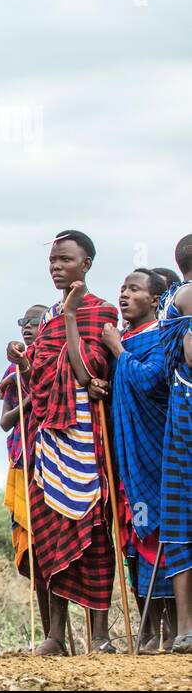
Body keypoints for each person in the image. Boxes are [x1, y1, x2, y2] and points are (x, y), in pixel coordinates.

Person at [7, 230, 118, 654]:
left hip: (86, 438)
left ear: (86, 264)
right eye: (52, 260)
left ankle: (101, 634)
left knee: (92, 531)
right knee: (50, 534)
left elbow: (88, 370)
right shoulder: (49, 316)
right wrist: (24, 361)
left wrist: (72, 318)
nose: (56, 266)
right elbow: (38, 377)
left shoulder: (99, 311)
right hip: (47, 439)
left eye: (65, 260)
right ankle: (56, 635)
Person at [103, 268, 172, 651]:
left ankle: (171, 627)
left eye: (134, 289)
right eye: (123, 288)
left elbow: (149, 380)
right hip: (126, 455)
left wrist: (117, 350)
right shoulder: (124, 339)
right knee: (133, 538)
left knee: (163, 536)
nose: (125, 295)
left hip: (156, 451)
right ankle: (146, 628)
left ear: (155, 300)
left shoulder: (161, 337)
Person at [0, 302, 49, 629]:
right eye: (23, 322)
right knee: (31, 547)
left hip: (55, 461)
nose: (27, 327)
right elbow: (5, 421)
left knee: (51, 544)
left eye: (34, 321)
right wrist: (32, 397)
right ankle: (48, 630)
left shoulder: (53, 362)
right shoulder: (12, 373)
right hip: (22, 461)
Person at [154, 234, 192, 652]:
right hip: (190, 407)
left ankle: (185, 629)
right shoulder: (190, 296)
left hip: (179, 413)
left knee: (182, 517)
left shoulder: (171, 297)